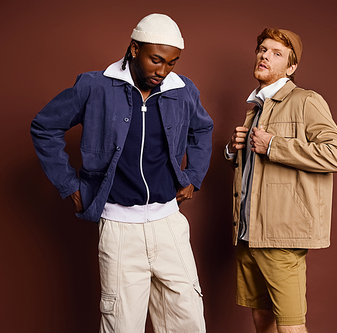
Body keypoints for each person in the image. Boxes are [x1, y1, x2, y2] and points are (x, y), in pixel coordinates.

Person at [31, 13, 213, 333]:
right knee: (121, 324)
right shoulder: (95, 85)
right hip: (119, 226)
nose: (163, 70)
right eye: (156, 59)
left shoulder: (183, 90)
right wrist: (68, 184)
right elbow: (45, 127)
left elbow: (202, 130)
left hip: (169, 223)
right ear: (133, 48)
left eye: (172, 62)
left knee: (187, 320)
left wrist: (194, 176)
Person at [225, 28, 337, 333]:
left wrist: (272, 145)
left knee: (291, 326)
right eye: (262, 50)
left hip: (282, 236)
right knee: (261, 318)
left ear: (291, 68)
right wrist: (233, 150)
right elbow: (260, 175)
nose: (264, 55)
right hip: (248, 233)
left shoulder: (306, 101)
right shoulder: (254, 110)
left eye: (276, 53)